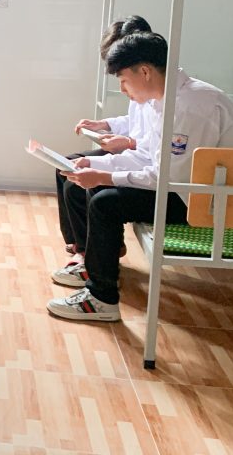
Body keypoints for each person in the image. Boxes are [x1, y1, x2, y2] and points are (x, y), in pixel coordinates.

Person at [47, 32, 233, 321]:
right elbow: (146, 156)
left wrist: (105, 176)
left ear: (144, 72)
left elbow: (166, 178)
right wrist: (94, 164)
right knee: (96, 190)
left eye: (123, 80)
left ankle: (102, 300)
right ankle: (98, 276)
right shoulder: (163, 101)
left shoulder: (190, 106)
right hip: (188, 188)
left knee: (105, 203)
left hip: (209, 201)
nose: (122, 89)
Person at [53, 15, 156, 286]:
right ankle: (82, 245)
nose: (119, 82)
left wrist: (128, 144)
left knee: (80, 181)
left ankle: (94, 254)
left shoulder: (160, 91)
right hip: (138, 155)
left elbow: (154, 151)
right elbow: (135, 123)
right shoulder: (145, 86)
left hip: (143, 161)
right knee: (67, 166)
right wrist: (105, 125)